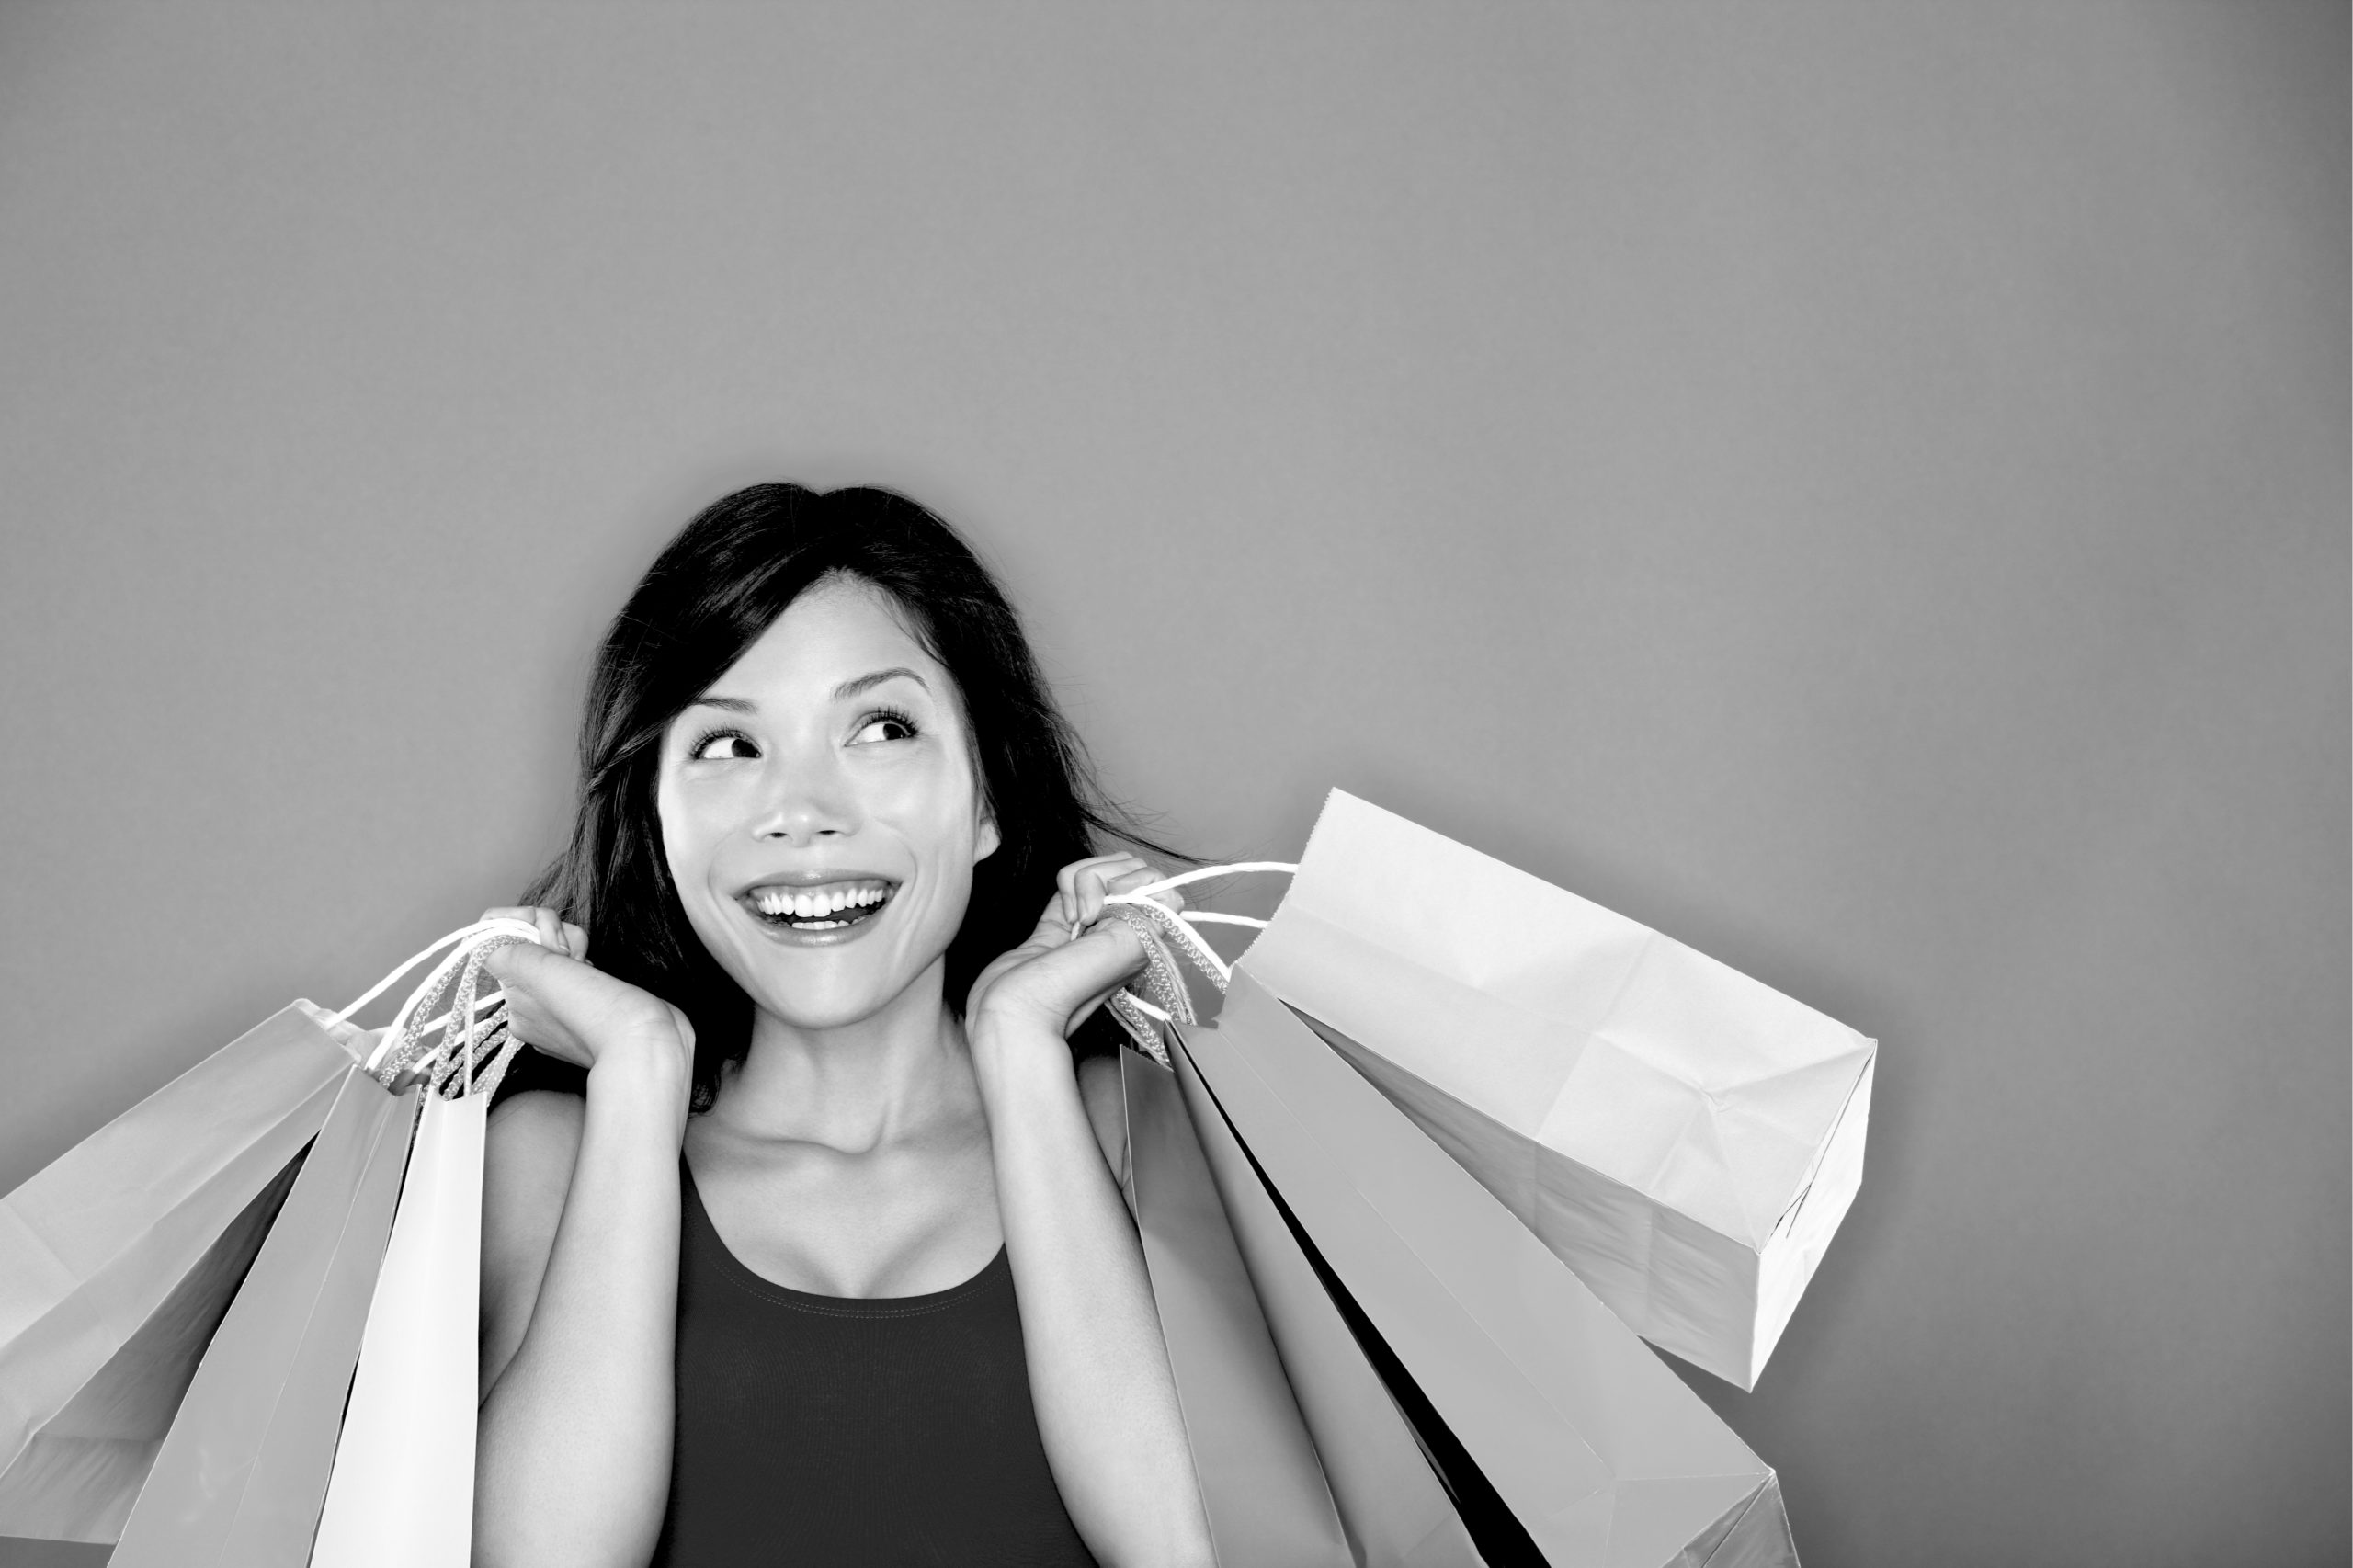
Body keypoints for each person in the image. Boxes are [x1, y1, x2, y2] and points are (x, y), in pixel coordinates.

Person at [469, 483, 1216, 1568]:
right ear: (655, 817)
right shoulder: (543, 1160)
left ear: (987, 798)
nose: (802, 809)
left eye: (881, 727)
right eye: (727, 745)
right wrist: (638, 1076)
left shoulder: (1149, 1136)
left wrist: (1021, 1051)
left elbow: (1199, 1550)